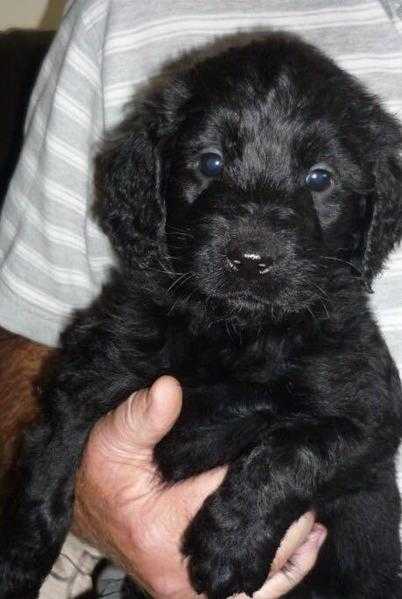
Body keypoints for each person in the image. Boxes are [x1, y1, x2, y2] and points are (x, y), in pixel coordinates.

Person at [1, 0, 402, 597]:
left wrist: (258, 496)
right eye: (211, 163)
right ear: (154, 186)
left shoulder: (335, 337)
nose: (254, 244)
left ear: (374, 215)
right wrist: (33, 540)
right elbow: (66, 404)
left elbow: (365, 425)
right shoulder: (118, 15)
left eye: (318, 182)